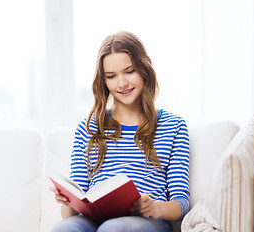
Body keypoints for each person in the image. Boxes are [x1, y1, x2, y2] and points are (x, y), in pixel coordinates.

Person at [50, 31, 190, 232]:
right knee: (64, 229)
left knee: (113, 228)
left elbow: (181, 203)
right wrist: (67, 200)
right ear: (104, 81)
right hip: (94, 220)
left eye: (130, 71)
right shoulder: (88, 128)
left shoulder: (173, 126)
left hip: (147, 221)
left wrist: (155, 208)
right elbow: (69, 214)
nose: (122, 83)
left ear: (145, 68)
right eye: (111, 76)